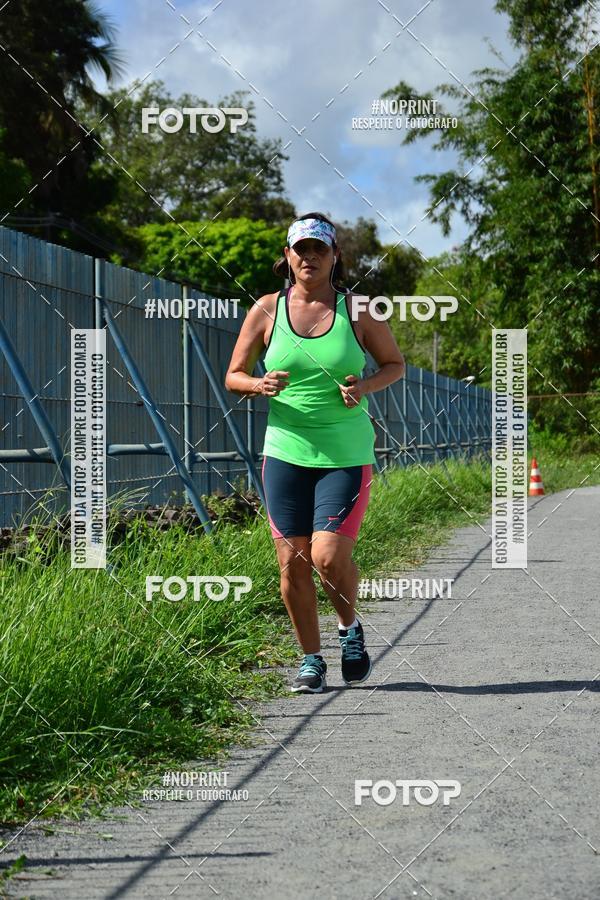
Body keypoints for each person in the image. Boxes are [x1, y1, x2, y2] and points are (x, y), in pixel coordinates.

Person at [225, 212, 405, 693]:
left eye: (319, 249)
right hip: (285, 452)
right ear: (287, 256)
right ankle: (310, 660)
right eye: (300, 249)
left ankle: (349, 628)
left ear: (334, 256)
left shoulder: (358, 310)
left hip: (345, 454)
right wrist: (259, 384)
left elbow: (395, 364)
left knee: (327, 556)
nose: (309, 257)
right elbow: (233, 375)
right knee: (292, 563)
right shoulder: (266, 310)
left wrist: (364, 386)